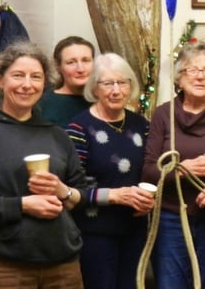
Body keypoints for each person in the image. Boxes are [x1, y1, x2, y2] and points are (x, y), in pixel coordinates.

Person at [142, 42, 205, 289]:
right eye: (192, 70)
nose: (200, 75)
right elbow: (147, 171)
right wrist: (186, 169)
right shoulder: (163, 114)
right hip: (171, 218)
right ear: (179, 78)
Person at [0, 41, 88, 288]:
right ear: (0, 80)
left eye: (36, 77)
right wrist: (22, 205)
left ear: (44, 84)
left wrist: (62, 190)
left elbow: (81, 193)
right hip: (6, 268)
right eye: (17, 75)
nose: (27, 84)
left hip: (64, 267)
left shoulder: (57, 135)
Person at [65, 53, 154, 289]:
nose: (116, 90)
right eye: (107, 83)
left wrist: (149, 200)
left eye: (122, 82)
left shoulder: (141, 125)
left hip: (135, 230)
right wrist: (115, 196)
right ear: (95, 88)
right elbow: (71, 188)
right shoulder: (78, 127)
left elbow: (150, 171)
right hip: (94, 233)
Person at [39, 36, 95, 128]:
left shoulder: (103, 99)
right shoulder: (45, 105)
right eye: (71, 62)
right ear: (58, 66)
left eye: (86, 60)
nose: (80, 69)